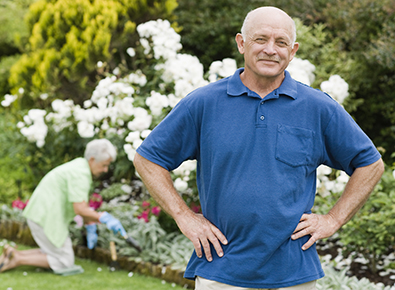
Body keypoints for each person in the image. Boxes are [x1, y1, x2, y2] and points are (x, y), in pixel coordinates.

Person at [133, 6, 384, 290]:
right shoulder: (204, 103)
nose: (271, 50)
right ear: (241, 43)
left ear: (293, 51)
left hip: (294, 274)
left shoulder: (318, 108)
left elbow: (370, 164)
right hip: (221, 271)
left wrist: (334, 219)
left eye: (281, 43)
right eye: (260, 39)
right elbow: (148, 158)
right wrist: (184, 216)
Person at [0, 139, 127, 273]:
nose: (105, 170)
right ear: (92, 159)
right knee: (65, 261)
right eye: (103, 165)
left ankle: (12, 253)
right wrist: (103, 217)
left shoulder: (79, 166)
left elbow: (81, 203)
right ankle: (18, 259)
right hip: (46, 216)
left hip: (42, 213)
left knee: (52, 251)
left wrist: (90, 224)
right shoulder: (81, 174)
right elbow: (79, 208)